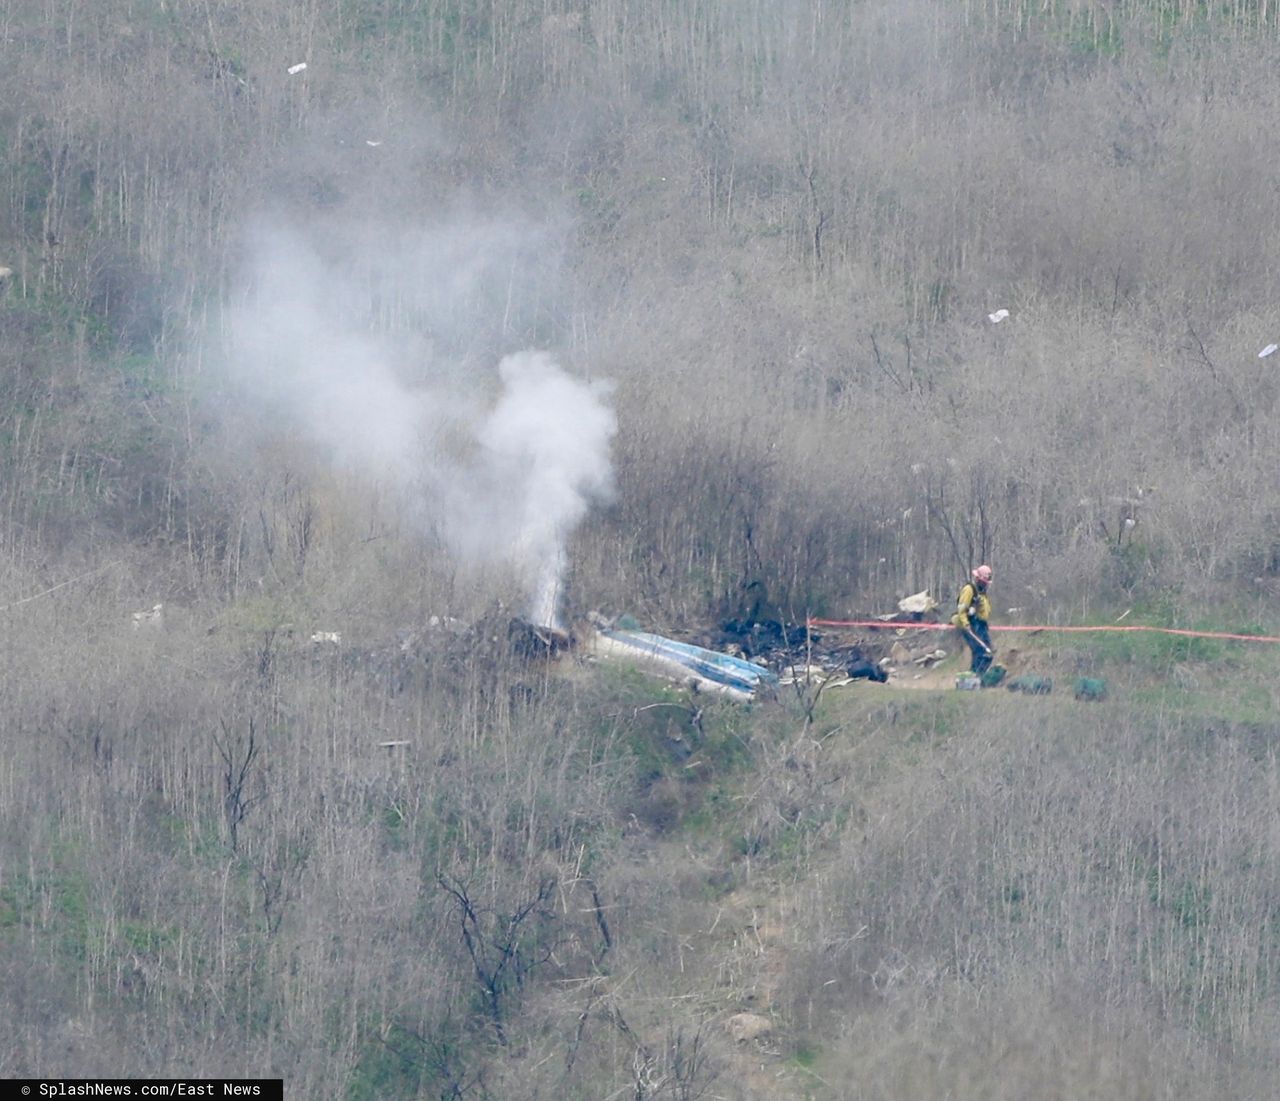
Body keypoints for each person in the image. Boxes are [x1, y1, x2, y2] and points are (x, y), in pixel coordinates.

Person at [953, 565, 994, 675]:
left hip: (981, 625)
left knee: (988, 652)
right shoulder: (969, 590)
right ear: (978, 579)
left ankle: (980, 676)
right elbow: (962, 609)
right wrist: (966, 625)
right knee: (980, 651)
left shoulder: (982, 593)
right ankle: (975, 676)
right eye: (984, 582)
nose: (986, 585)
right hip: (970, 624)